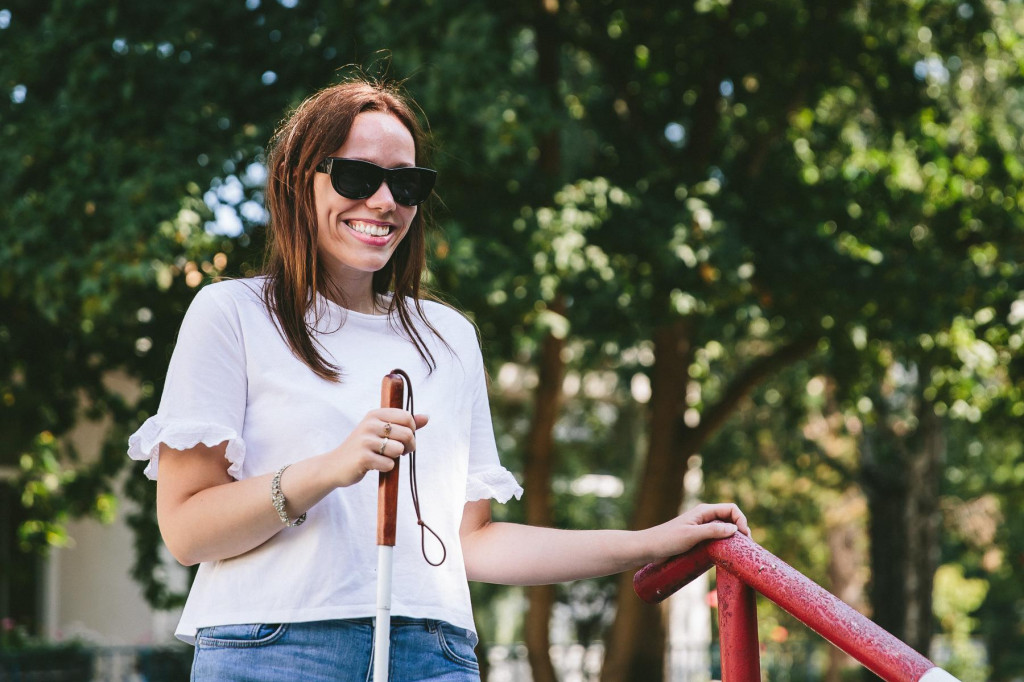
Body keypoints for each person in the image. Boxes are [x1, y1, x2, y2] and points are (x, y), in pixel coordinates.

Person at [128, 77, 749, 682]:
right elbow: (186, 531)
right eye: (356, 176)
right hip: (276, 646)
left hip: (435, 650)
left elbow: (473, 544)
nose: (383, 201)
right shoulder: (232, 314)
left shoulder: (448, 337)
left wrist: (650, 541)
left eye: (406, 182)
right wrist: (331, 467)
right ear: (298, 180)